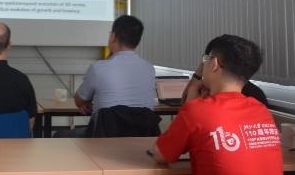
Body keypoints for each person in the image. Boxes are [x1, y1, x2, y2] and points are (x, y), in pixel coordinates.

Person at [153, 35, 282, 175]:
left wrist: (192, 102)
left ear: (214, 63)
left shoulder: (197, 110)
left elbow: (160, 155)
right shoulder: (261, 110)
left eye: (205, 59)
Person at [74, 15, 156, 120]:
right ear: (137, 41)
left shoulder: (98, 69)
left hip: (106, 130)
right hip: (143, 130)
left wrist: (86, 103)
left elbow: (79, 101)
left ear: (113, 37)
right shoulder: (149, 69)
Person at [181, 40, 268, 106]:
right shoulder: (260, 106)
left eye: (206, 59)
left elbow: (184, 110)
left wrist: (195, 84)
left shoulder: (203, 99)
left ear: (214, 64)